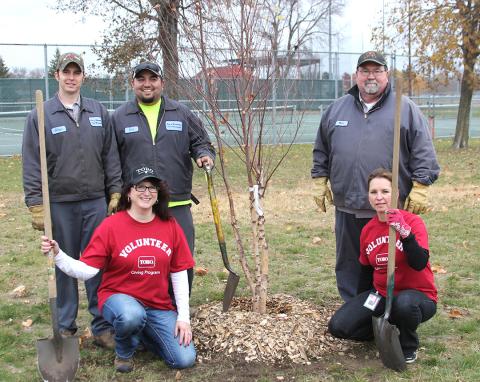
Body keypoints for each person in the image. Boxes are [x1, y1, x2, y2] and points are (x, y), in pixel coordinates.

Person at [40, 165, 196, 373]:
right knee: (131, 315)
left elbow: (178, 273)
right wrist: (58, 254)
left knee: (184, 359)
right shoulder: (111, 226)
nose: (146, 193)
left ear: (158, 195)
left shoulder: (170, 226)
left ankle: (142, 333)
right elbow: (87, 270)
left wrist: (183, 317)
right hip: (120, 301)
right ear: (129, 192)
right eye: (140, 187)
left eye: (152, 188)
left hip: (157, 306)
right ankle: (124, 353)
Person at [311, 51, 440, 302]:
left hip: (385, 206)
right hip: (348, 204)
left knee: (388, 259)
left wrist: (422, 185)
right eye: (365, 71)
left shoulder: (405, 109)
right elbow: (321, 148)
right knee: (349, 260)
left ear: (386, 74)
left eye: (377, 71)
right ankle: (354, 307)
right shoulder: (337, 109)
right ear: (356, 75)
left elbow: (424, 150)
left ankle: (388, 306)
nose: (371, 76)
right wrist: (319, 179)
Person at [22, 52, 122, 347]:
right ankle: (65, 327)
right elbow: (31, 163)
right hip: (60, 203)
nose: (71, 77)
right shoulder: (41, 115)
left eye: (76, 72)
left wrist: (114, 190)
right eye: (66, 72)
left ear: (83, 77)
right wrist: (36, 203)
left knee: (95, 263)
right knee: (63, 264)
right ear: (57, 76)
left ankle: (102, 326)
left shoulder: (98, 112)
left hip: (94, 201)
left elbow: (110, 155)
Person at [111, 61, 215, 292]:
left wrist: (204, 155)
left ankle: (180, 310)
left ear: (162, 83)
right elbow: (111, 159)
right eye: (141, 79)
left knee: (181, 259)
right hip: (138, 205)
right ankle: (147, 308)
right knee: (142, 261)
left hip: (176, 201)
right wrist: (117, 192)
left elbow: (201, 142)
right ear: (133, 83)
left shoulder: (181, 113)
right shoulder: (119, 117)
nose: (147, 84)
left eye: (153, 79)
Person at [327, 168, 437, 364]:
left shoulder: (413, 222)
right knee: (339, 326)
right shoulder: (368, 230)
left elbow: (419, 263)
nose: (379, 197)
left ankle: (407, 345)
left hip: (417, 296)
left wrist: (405, 233)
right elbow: (365, 272)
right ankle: (384, 329)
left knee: (403, 304)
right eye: (373, 192)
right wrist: (359, 305)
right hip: (382, 295)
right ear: (368, 196)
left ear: (395, 194)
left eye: (385, 192)